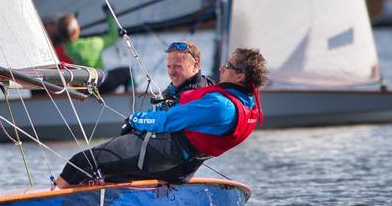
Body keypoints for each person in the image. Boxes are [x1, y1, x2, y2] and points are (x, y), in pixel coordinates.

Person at [53, 43, 267, 188]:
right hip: (180, 169)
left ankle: (50, 204)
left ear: (240, 76)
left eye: (228, 66)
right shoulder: (247, 106)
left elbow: (166, 121)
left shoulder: (220, 105)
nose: (221, 68)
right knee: (107, 177)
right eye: (169, 66)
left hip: (164, 155)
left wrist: (136, 119)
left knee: (81, 162)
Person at [56, 9, 132, 94]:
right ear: (76, 30)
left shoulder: (62, 50)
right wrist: (110, 16)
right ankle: (131, 96)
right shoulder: (92, 43)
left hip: (86, 90)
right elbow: (113, 36)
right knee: (129, 71)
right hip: (104, 84)